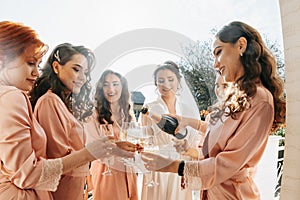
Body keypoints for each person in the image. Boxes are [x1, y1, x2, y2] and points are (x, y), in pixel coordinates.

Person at [141, 21, 286, 200]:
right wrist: (186, 120)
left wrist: (172, 166)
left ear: (241, 45)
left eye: (218, 52)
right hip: (212, 192)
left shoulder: (261, 101)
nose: (215, 65)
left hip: (233, 195)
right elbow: (217, 131)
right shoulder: (238, 96)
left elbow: (226, 163)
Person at [0, 21, 117, 200]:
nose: (36, 73)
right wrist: (90, 153)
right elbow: (29, 172)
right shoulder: (19, 98)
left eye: (37, 65)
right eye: (30, 63)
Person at [29, 43, 98, 199]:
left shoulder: (62, 104)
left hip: (74, 189)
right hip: (62, 191)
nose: (83, 78)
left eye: (86, 73)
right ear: (56, 67)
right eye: (76, 69)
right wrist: (94, 152)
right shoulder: (49, 101)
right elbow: (58, 161)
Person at [140, 61, 203, 200]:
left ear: (178, 82)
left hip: (179, 166)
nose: (166, 84)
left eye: (170, 79)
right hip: (157, 167)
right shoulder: (149, 109)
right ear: (156, 84)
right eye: (161, 80)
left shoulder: (187, 110)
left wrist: (188, 166)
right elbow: (144, 142)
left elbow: (194, 142)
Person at [84, 69, 138, 200]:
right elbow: (92, 145)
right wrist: (118, 148)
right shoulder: (93, 114)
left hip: (129, 172)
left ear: (122, 87)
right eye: (106, 84)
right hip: (106, 172)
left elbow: (136, 140)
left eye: (115, 84)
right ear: (101, 88)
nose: (111, 89)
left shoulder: (128, 113)